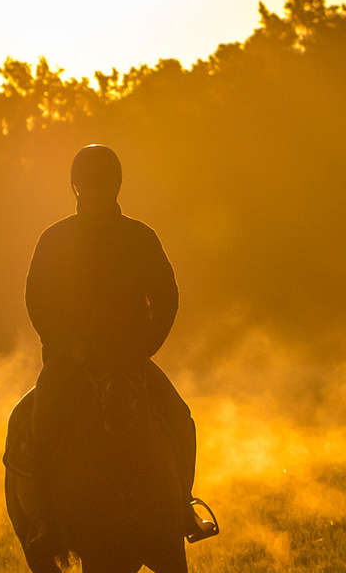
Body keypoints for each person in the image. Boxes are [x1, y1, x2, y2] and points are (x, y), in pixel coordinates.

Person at [23, 144, 216, 541]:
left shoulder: (140, 237)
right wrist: (65, 347)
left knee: (180, 418)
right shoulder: (53, 241)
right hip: (68, 363)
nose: (96, 193)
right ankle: (45, 520)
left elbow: (166, 298)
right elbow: (37, 300)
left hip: (128, 360)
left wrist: (142, 349)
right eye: (90, 186)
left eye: (104, 186)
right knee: (40, 424)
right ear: (76, 189)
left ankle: (183, 506)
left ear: (117, 187)